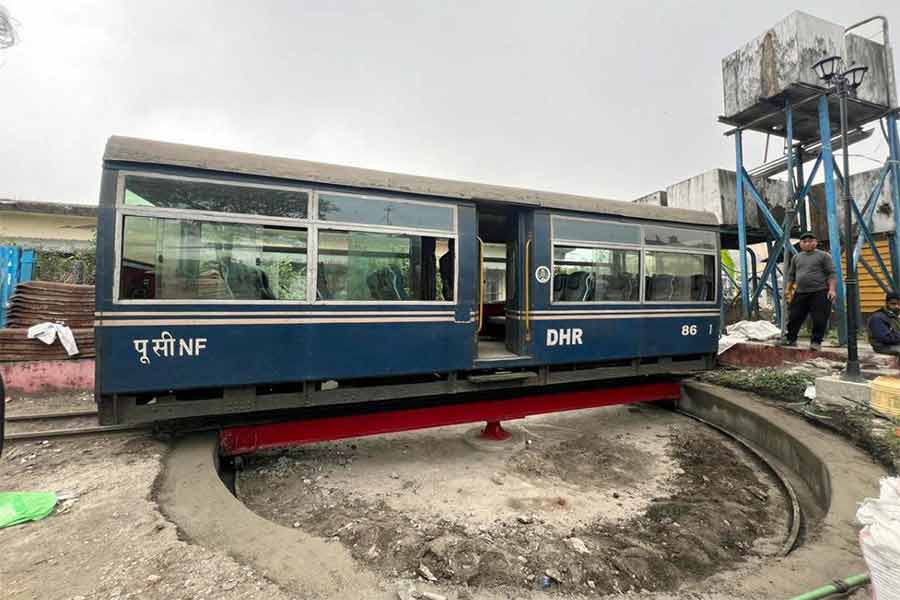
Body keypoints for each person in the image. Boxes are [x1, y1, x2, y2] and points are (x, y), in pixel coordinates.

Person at [781, 232, 837, 351]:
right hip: (801, 292)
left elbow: (831, 273)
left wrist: (832, 290)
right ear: (800, 244)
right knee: (794, 316)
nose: (807, 243)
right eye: (804, 241)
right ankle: (790, 339)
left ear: (816, 242)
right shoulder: (796, 258)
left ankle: (816, 342)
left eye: (810, 241)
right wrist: (788, 290)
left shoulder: (824, 256)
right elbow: (791, 275)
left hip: (820, 291)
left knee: (819, 318)